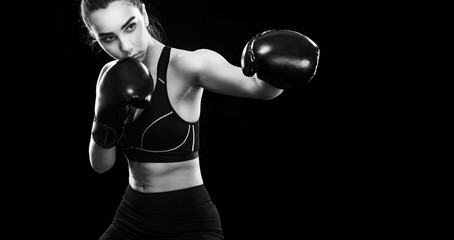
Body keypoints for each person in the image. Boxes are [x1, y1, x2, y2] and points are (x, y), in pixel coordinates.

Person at [80, 0, 320, 239]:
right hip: (132, 217)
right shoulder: (109, 76)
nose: (126, 47)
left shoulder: (188, 65)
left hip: (188, 220)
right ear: (94, 36)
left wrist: (278, 60)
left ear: (143, 14)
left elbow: (259, 88)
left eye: (130, 27)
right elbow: (101, 165)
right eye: (108, 38)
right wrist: (106, 115)